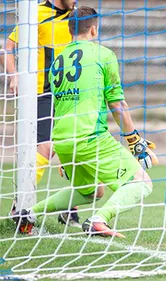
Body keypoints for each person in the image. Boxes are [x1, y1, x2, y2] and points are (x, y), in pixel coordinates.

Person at [13, 6, 157, 238]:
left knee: (91, 191)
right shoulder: (103, 55)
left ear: (69, 30)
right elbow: (118, 105)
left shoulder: (58, 61)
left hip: (62, 138)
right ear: (94, 30)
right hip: (90, 137)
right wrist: (134, 141)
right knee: (141, 182)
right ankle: (99, 220)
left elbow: (59, 105)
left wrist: (65, 150)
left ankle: (28, 213)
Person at [5, 0, 86, 227]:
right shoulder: (35, 13)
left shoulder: (77, 16)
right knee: (46, 146)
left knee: (77, 147)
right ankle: (20, 202)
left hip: (71, 93)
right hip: (44, 93)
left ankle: (70, 209)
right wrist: (14, 75)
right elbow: (7, 48)